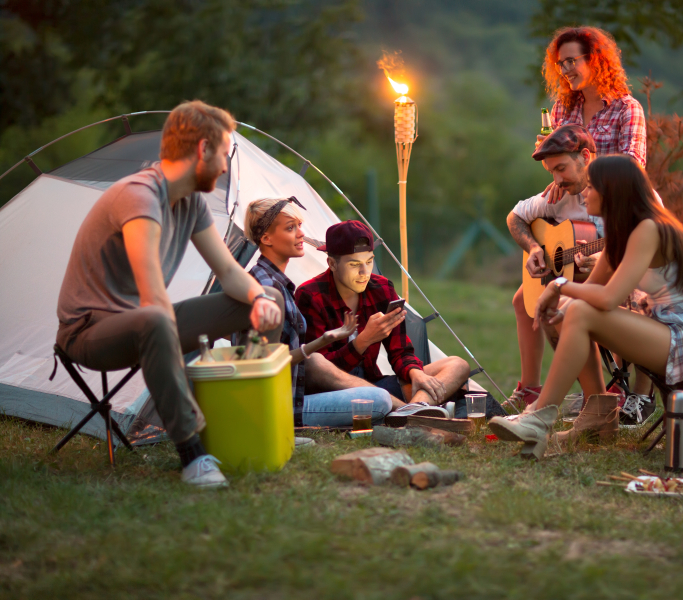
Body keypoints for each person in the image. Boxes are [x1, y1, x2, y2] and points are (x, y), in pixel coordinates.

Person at [56, 101, 284, 488]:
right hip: (90, 332)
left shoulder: (191, 201)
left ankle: (252, 423)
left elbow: (229, 272)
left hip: (147, 322)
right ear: (202, 150)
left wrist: (259, 300)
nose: (226, 167)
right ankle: (192, 454)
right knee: (156, 318)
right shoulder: (140, 196)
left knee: (268, 296)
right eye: (224, 155)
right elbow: (152, 295)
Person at [490, 155, 683, 460]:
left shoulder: (649, 229)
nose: (583, 194)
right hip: (666, 330)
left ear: (611, 191)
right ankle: (598, 414)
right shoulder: (624, 233)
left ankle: (538, 418)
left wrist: (556, 285)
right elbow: (591, 291)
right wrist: (557, 301)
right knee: (568, 309)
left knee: (577, 308)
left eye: (591, 187)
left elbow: (607, 299)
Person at [295, 221, 495, 418]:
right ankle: (413, 413)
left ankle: (414, 410)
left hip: (376, 384)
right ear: (332, 263)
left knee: (457, 365)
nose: (364, 273)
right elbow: (321, 372)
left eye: (369, 261)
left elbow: (400, 351)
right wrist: (362, 341)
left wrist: (416, 373)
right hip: (333, 393)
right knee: (318, 362)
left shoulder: (381, 288)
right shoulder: (310, 295)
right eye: (354, 264)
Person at [243, 197, 392, 428]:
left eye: (300, 226)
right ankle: (409, 413)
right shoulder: (266, 289)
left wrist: (325, 340)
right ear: (266, 238)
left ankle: (410, 410)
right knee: (379, 400)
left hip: (291, 396)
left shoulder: (275, 282)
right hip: (277, 406)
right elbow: (262, 363)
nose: (301, 234)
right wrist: (321, 344)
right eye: (291, 228)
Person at [506, 125, 605, 412]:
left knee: (561, 306)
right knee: (524, 299)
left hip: (618, 282)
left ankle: (595, 400)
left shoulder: (620, 192)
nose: (557, 179)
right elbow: (515, 218)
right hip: (574, 280)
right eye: (552, 172)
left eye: (561, 168)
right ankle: (529, 388)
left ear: (585, 156)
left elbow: (649, 242)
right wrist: (535, 249)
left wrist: (604, 259)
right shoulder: (558, 194)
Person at [538, 25, 646, 205]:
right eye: (560, 64)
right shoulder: (562, 109)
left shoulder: (627, 109)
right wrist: (548, 153)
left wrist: (582, 176)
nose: (565, 71)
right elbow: (561, 164)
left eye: (571, 61)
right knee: (520, 216)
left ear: (595, 60)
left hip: (613, 205)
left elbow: (633, 168)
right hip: (573, 203)